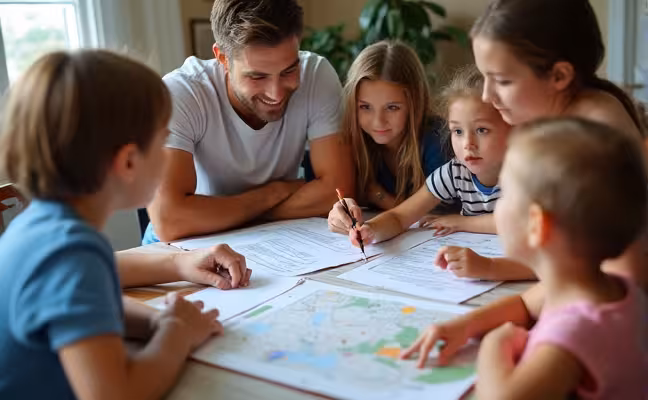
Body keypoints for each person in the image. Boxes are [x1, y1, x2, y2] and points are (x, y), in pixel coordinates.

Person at [0, 50, 243, 399]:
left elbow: (84, 309)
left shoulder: (39, 228)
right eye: (163, 142)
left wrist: (156, 322)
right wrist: (176, 334)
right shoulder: (72, 254)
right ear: (129, 162)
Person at [402, 118, 648, 399]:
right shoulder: (597, 285)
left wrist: (496, 344)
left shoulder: (571, 338)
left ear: (536, 225)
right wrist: (463, 326)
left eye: (505, 195)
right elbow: (523, 303)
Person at [433, 0, 648, 283]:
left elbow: (617, 273)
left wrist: (495, 271)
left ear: (559, 76)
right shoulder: (544, 114)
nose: (487, 96)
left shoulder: (594, 134)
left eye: (502, 81)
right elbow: (571, 263)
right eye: (485, 77)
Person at [144, 0, 353, 244]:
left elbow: (339, 190)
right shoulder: (181, 93)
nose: (276, 93)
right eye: (257, 76)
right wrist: (274, 193)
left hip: (272, 231)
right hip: (184, 240)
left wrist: (240, 213)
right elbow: (170, 220)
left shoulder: (316, 75)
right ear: (222, 58)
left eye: (288, 71)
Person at [329, 66, 511, 246]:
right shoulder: (455, 172)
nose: (467, 144)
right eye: (457, 131)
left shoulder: (524, 173)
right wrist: (370, 230)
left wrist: (462, 222)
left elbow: (521, 223)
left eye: (481, 130)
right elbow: (400, 216)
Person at [332, 40, 446, 213]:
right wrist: (338, 213)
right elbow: (329, 192)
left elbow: (430, 216)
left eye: (392, 108)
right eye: (365, 107)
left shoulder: (439, 140)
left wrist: (376, 194)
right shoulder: (351, 140)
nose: (378, 122)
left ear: (414, 102)